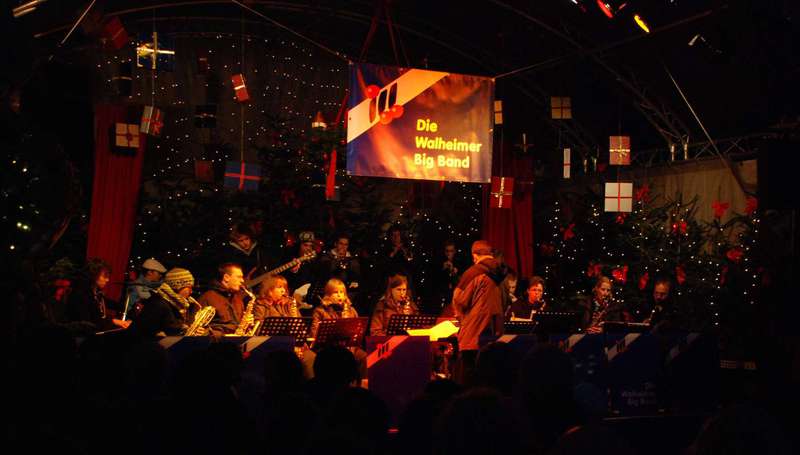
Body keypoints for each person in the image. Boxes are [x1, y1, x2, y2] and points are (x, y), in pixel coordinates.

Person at [451, 240, 506, 385]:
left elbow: (459, 300)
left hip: (474, 336)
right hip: (494, 333)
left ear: (474, 255)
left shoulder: (473, 272)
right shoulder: (501, 274)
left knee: (469, 380)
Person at [133, 268, 204, 337]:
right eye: (189, 287)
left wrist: (191, 329)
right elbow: (152, 332)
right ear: (177, 287)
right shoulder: (159, 304)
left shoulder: (176, 304)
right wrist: (185, 331)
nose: (191, 291)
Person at [65, 258, 130, 334]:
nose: (107, 280)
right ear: (93, 275)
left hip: (94, 330)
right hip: (81, 335)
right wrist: (114, 321)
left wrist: (125, 307)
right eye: (105, 276)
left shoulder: (96, 292)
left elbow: (107, 302)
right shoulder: (80, 294)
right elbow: (88, 322)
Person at [198, 262, 254, 335]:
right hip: (218, 342)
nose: (242, 280)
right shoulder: (207, 297)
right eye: (239, 277)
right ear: (226, 277)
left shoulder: (237, 299)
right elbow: (199, 331)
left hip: (236, 340)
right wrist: (225, 336)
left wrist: (247, 324)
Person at [311, 234, 362, 306]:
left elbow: (356, 277)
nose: (343, 247)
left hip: (344, 293)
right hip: (328, 291)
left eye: (346, 244)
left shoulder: (352, 260)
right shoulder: (327, 257)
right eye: (341, 244)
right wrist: (337, 260)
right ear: (336, 244)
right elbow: (323, 273)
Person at [284, 231, 319, 308]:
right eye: (305, 245)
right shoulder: (291, 258)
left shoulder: (314, 261)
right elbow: (287, 280)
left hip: (307, 299)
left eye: (310, 246)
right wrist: (293, 271)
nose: (308, 248)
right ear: (299, 245)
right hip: (292, 298)